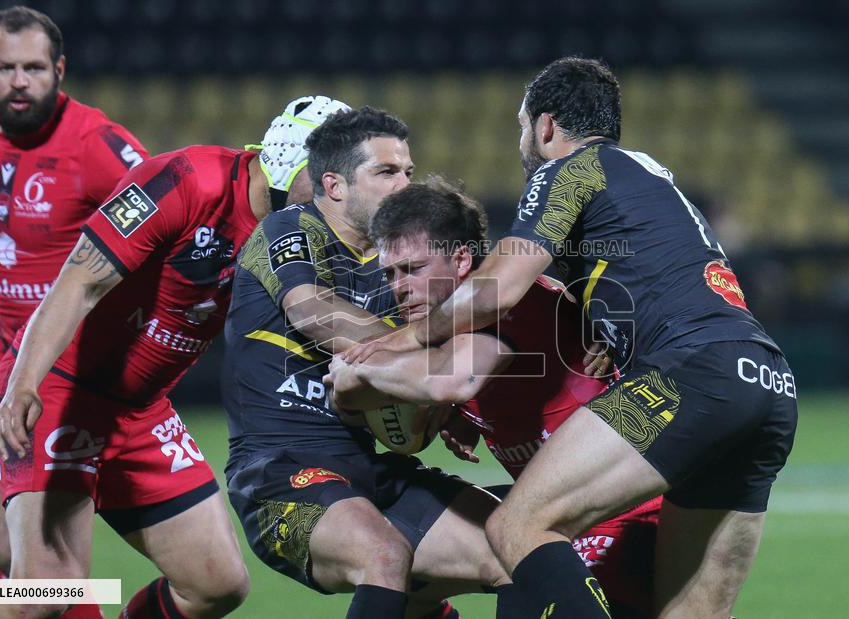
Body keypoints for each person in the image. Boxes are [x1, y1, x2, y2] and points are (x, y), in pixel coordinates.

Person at [346, 57, 798, 618]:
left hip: (692, 371)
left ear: (546, 127)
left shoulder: (572, 169)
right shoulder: (650, 177)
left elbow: (496, 289)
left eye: (522, 128)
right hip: (767, 380)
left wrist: (405, 341)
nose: (523, 143)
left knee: (518, 523)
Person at [0, 94, 348, 619]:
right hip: (61, 386)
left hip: (141, 412)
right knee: (47, 591)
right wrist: (23, 383)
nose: (337, 198)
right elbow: (80, 281)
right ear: (288, 163)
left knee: (217, 584)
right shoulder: (187, 180)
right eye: (329, 180)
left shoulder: (305, 236)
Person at [326, 179, 662, 619]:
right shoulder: (445, 328)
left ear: (463, 259)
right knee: (406, 577)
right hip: (556, 518)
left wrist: (356, 370)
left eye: (413, 269)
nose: (399, 287)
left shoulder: (503, 301)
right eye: (390, 274)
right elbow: (416, 424)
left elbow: (451, 382)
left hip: (624, 517)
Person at [222, 110, 510, 619]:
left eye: (407, 170)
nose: (405, 184)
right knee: (384, 555)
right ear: (332, 185)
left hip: (367, 471)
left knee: (508, 549)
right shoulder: (288, 228)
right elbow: (310, 310)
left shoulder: (392, 264)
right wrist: (426, 363)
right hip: (278, 473)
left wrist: (450, 396)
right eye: (387, 172)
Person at [0, 5, 147, 582]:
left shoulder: (101, 147)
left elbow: (166, 233)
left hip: (74, 375)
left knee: (32, 566)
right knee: (9, 563)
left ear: (59, 69)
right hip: (5, 358)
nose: (21, 81)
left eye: (35, 68)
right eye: (7, 67)